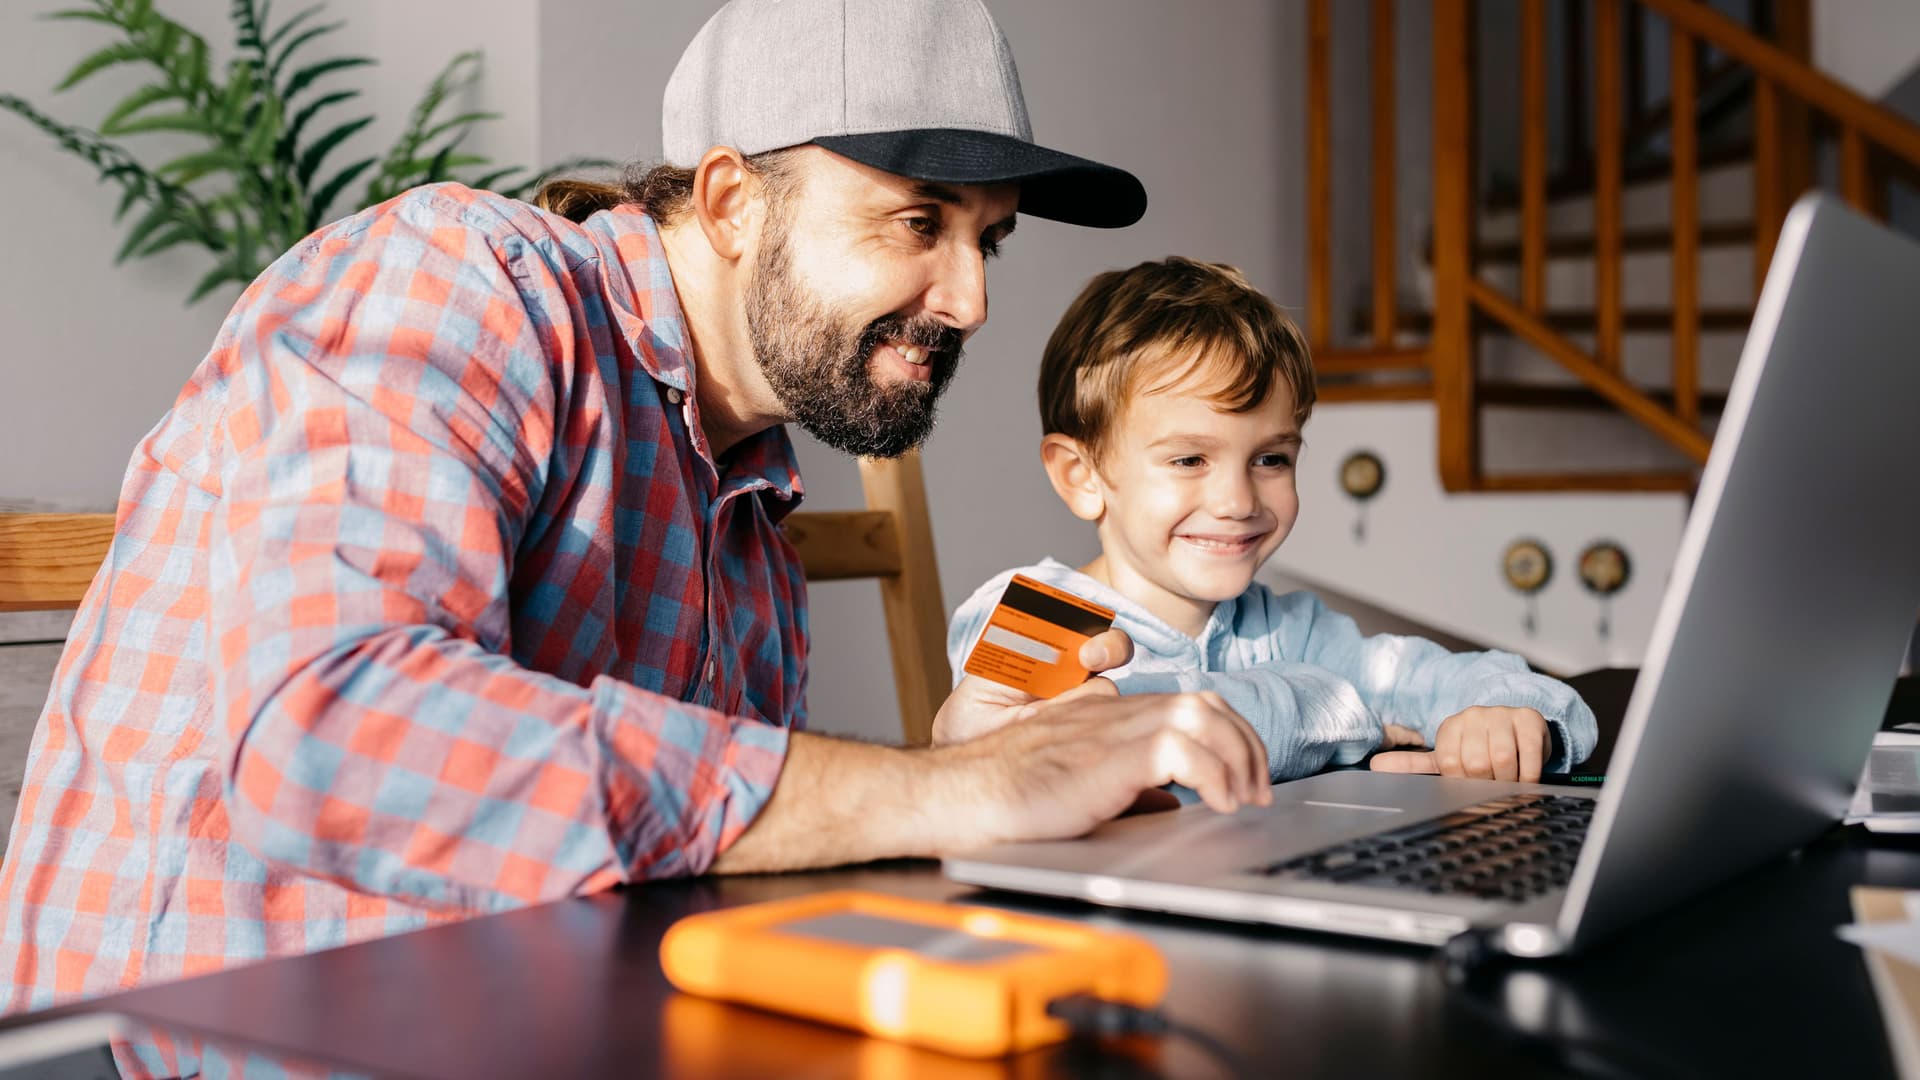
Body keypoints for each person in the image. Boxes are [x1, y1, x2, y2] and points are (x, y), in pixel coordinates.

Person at [0, 0, 1274, 1048]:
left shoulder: (752, 514)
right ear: (728, 201)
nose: (974, 299)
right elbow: (329, 732)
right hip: (170, 1050)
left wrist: (973, 770)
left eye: (989, 241)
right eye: (916, 221)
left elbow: (690, 878)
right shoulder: (453, 281)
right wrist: (941, 793)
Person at [944, 257, 1597, 786]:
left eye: (1270, 458)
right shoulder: (1031, 617)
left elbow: (1449, 678)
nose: (1237, 500)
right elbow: (1073, 764)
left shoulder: (1290, 628)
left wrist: (1512, 716)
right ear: (1080, 477)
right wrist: (1334, 704)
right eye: (1190, 458)